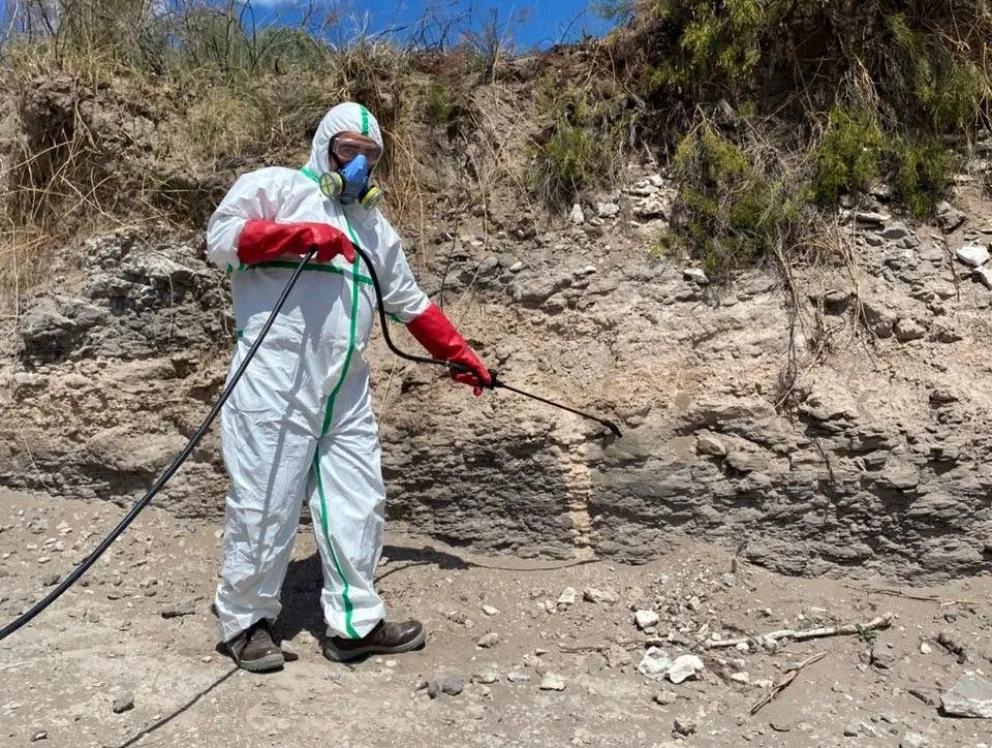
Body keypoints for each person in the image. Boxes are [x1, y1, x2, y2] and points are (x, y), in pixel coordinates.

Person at [204, 101, 492, 672]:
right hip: (275, 376)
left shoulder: (373, 228)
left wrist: (460, 355)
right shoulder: (277, 187)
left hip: (346, 383)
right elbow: (221, 241)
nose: (357, 165)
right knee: (267, 498)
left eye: (369, 156)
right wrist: (295, 236)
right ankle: (245, 622)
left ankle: (354, 625)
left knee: (358, 499)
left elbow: (409, 303)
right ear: (324, 148)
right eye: (346, 152)